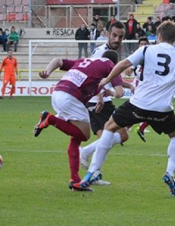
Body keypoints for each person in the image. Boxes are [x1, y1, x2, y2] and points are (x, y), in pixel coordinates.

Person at [78, 21, 175, 196]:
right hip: (163, 109)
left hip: (138, 104)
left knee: (109, 127)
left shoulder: (146, 50)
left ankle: (93, 171)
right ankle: (170, 172)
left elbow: (123, 65)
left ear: (158, 36)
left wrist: (107, 80)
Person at [33, 50, 122, 192]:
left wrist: (48, 72)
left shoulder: (84, 61)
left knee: (76, 137)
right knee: (85, 135)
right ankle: (50, 119)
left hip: (58, 93)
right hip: (71, 97)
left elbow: (58, 60)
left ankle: (74, 180)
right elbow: (120, 93)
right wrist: (111, 92)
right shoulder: (110, 65)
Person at [79, 21, 130, 184]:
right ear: (107, 34)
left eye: (120, 37)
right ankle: (89, 161)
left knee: (116, 136)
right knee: (118, 135)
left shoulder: (109, 52)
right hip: (97, 100)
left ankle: (90, 162)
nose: (117, 39)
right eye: (114, 35)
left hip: (102, 99)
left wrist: (129, 85)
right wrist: (99, 96)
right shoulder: (102, 52)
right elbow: (93, 75)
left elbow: (110, 77)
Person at [124, 37, 151, 142]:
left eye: (145, 43)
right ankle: (132, 128)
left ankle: (130, 128)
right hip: (140, 87)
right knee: (151, 110)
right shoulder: (138, 58)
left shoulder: (151, 56)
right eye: (141, 44)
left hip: (149, 87)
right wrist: (128, 69)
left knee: (147, 110)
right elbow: (129, 70)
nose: (143, 45)